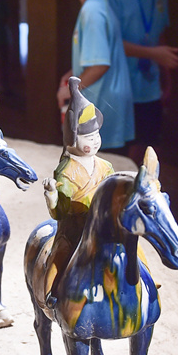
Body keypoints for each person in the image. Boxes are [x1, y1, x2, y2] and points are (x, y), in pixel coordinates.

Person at [100, 0, 178, 164]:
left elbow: (159, 35)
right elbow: (109, 43)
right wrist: (154, 55)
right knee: (115, 151)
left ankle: (133, 195)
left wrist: (166, 77)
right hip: (119, 85)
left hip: (149, 87)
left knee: (145, 144)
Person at [40, 76, 115, 300]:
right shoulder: (65, 171)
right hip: (75, 228)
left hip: (102, 226)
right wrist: (52, 194)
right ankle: (50, 292)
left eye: (96, 136)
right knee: (60, 255)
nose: (94, 142)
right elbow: (60, 212)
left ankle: (143, 277)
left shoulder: (105, 166)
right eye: (87, 138)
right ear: (72, 138)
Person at [56, 0, 134, 152]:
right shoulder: (98, 5)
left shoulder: (92, 10)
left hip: (102, 111)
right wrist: (72, 72)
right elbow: (95, 57)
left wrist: (69, 91)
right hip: (109, 106)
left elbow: (100, 65)